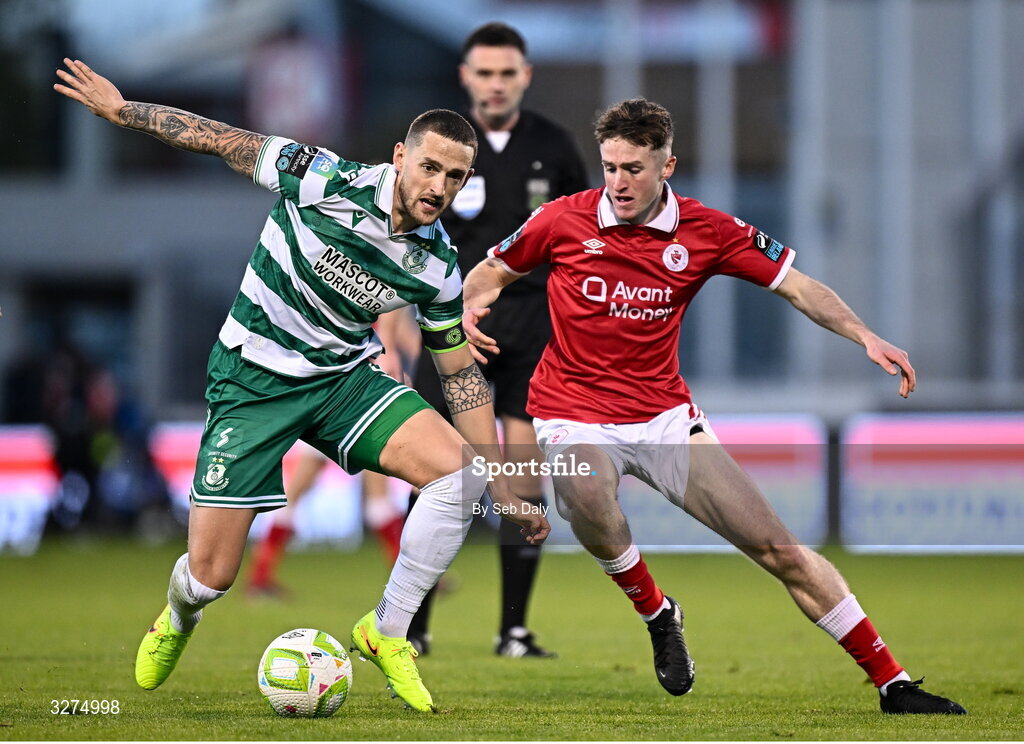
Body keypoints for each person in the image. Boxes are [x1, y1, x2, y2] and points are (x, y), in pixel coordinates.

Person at [54, 58, 549, 714]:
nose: (439, 184)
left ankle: (387, 631)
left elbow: (459, 375)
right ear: (401, 157)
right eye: (429, 166)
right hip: (253, 379)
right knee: (210, 578)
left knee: (459, 477)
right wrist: (123, 112)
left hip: (343, 380)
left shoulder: (435, 266)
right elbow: (218, 137)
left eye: (455, 175)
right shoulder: (324, 178)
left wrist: (503, 484)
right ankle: (177, 616)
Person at [461, 98, 966, 715]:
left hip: (665, 419)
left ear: (667, 165)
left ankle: (894, 683)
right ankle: (656, 610)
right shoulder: (562, 219)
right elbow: (491, 271)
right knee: (585, 491)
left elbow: (800, 288)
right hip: (572, 412)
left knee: (779, 550)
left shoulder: (708, 231)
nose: (618, 182)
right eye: (610, 166)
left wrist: (865, 335)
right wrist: (469, 306)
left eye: (634, 169)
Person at [407, 21, 589, 659]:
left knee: (525, 473)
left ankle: (513, 630)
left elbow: (583, 243)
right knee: (433, 473)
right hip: (451, 330)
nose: (495, 83)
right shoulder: (441, 145)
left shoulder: (556, 147)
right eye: (483, 72)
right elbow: (401, 238)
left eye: (506, 72)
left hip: (536, 330)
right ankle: (414, 628)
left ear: (525, 76)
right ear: (466, 77)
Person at [247, 309, 420, 597]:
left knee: (362, 494)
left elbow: (403, 334)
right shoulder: (392, 282)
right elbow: (397, 333)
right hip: (351, 391)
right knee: (373, 495)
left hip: (339, 388)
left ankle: (261, 576)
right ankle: (413, 579)